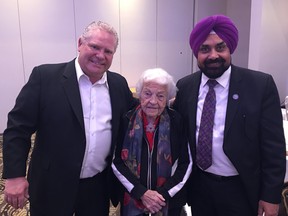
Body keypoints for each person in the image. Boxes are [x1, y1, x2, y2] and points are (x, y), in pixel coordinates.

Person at [2, 21, 136, 215]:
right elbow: (18, 128)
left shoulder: (118, 84)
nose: (100, 55)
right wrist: (15, 175)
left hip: (97, 186)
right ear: (80, 43)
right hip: (52, 184)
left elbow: (137, 113)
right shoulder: (45, 77)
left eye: (108, 51)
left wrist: (168, 99)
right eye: (95, 47)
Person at [173, 14, 286, 216]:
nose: (213, 55)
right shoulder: (185, 86)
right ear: (196, 53)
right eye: (205, 49)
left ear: (230, 49)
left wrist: (271, 196)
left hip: (241, 190)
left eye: (220, 47)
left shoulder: (260, 86)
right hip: (200, 188)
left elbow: (274, 148)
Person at [112, 68, 192, 216]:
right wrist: (141, 192)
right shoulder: (126, 120)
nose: (153, 101)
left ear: (168, 98)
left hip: (168, 201)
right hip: (132, 198)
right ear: (139, 94)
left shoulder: (177, 122)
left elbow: (186, 163)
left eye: (160, 96)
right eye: (147, 93)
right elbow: (116, 161)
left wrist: (161, 196)